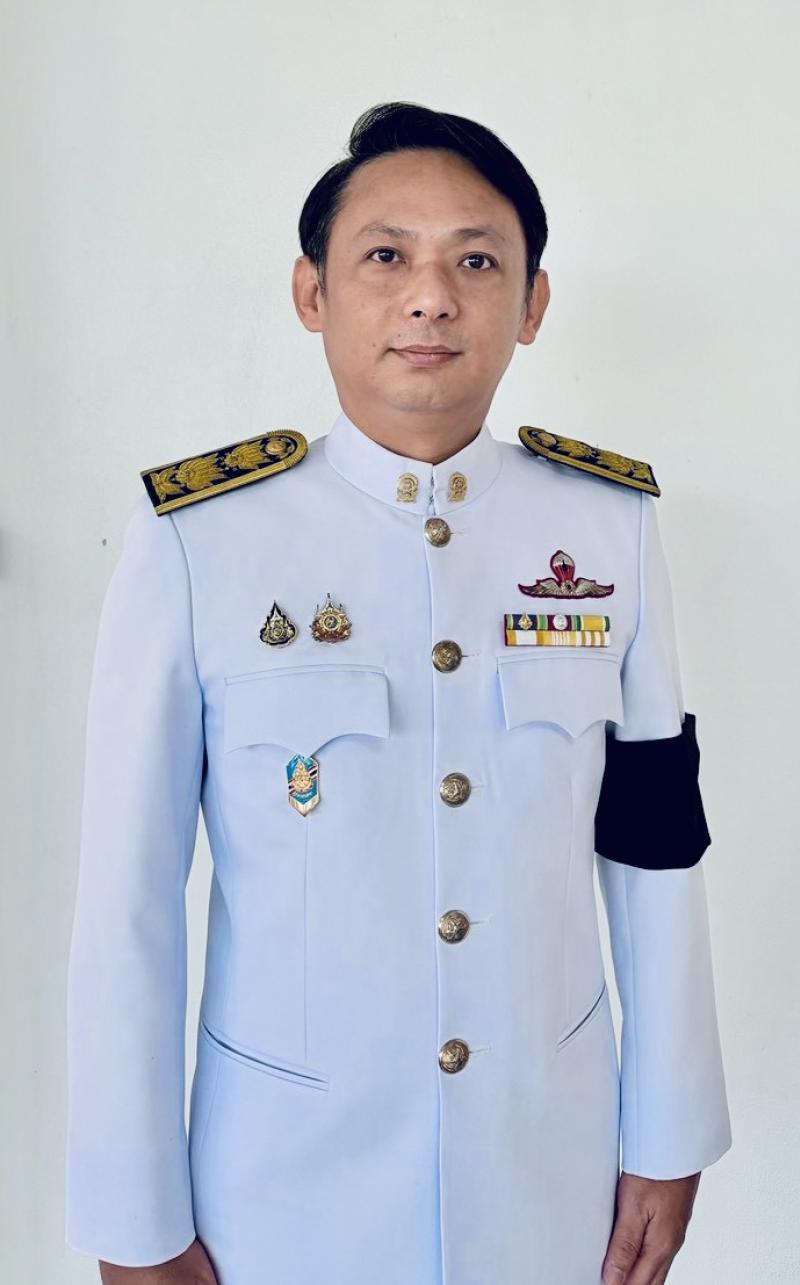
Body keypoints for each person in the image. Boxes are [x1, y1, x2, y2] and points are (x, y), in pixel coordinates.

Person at [65, 100, 732, 1285]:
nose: (430, 296)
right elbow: (129, 901)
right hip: (281, 1186)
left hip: (546, 1167)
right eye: (385, 255)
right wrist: (134, 1217)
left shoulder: (608, 530)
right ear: (311, 292)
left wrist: (669, 1130)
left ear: (531, 304)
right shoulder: (197, 542)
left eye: (476, 261)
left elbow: (653, 846)